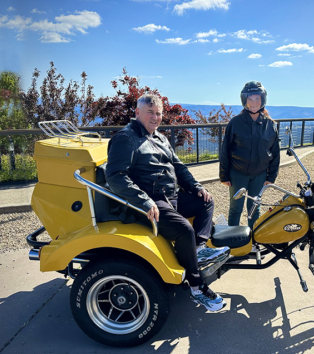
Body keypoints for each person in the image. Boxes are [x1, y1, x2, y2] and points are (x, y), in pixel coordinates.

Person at [106, 93, 229, 312]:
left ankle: (199, 249)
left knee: (206, 202)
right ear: (137, 113)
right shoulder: (125, 138)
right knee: (184, 229)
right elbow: (115, 176)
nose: (155, 117)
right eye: (150, 113)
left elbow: (179, 167)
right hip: (146, 203)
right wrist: (144, 201)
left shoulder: (159, 137)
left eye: (159, 113)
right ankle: (196, 286)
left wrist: (197, 187)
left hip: (169, 197)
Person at [220, 81, 280, 230]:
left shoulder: (270, 125)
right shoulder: (235, 123)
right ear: (244, 100)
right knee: (235, 209)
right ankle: (232, 241)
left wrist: (271, 177)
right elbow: (225, 151)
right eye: (250, 99)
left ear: (263, 100)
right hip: (237, 174)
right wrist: (224, 175)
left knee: (254, 210)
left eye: (257, 99)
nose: (253, 103)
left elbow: (275, 153)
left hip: (259, 176)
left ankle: (253, 241)